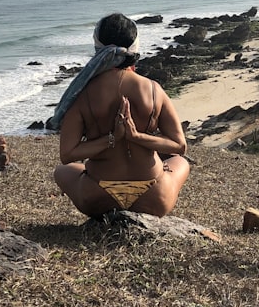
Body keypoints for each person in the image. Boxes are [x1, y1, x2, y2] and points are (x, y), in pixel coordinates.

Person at [50, 13, 190, 217]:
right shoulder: (153, 89)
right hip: (154, 196)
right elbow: (179, 146)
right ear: (135, 46)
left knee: (62, 171)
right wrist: (137, 137)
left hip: (97, 195)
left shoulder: (81, 93)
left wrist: (111, 139)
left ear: (98, 45)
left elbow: (67, 155)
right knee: (180, 162)